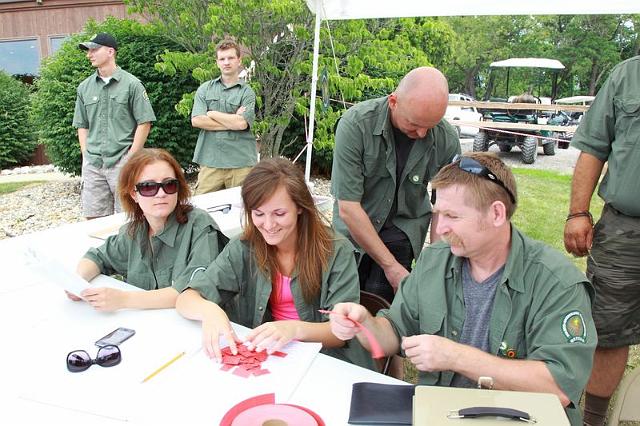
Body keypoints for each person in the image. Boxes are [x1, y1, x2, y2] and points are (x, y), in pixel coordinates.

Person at [329, 153, 596, 425]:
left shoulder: (556, 283)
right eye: (438, 214)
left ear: (496, 213)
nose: (441, 228)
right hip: (439, 415)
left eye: (452, 216)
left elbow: (559, 388)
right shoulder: (435, 262)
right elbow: (394, 332)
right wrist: (365, 324)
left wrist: (455, 356)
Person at [176, 158, 371, 368]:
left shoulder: (336, 250)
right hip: (273, 357)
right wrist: (209, 311)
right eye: (258, 214)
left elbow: (341, 333)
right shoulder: (244, 247)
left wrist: (294, 329)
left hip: (327, 361)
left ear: (300, 207)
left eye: (279, 214)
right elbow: (185, 299)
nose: (268, 225)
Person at [331, 66, 460, 303]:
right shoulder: (356, 125)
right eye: (414, 124)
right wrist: (390, 266)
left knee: (384, 307)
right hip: (354, 232)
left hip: (402, 233)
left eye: (430, 126)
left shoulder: (447, 140)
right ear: (393, 102)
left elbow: (444, 209)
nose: (422, 133)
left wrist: (435, 263)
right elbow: (348, 207)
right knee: (343, 305)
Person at [563, 55, 640, 426]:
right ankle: (592, 421)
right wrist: (578, 212)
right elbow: (594, 146)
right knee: (608, 330)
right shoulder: (628, 75)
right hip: (626, 229)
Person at [67, 148, 227, 311]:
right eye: (148, 187)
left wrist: (123, 299)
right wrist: (77, 283)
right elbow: (97, 257)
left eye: (169, 185)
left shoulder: (199, 226)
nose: (161, 194)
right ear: (133, 194)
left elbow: (193, 291)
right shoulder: (133, 231)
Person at [73, 33, 156, 220]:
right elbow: (82, 125)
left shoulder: (132, 85)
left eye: (94, 50)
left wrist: (131, 157)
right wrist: (86, 154)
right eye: (88, 51)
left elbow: (144, 123)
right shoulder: (84, 88)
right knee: (94, 219)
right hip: (93, 163)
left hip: (122, 160)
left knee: (129, 217)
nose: (89, 55)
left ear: (110, 52)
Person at [191, 39, 257, 195]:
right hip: (211, 160)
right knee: (201, 204)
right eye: (222, 59)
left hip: (241, 162)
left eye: (231, 58)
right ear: (217, 62)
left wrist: (212, 114)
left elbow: (242, 124)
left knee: (242, 205)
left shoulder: (247, 92)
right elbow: (197, 120)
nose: (226, 62)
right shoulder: (205, 89)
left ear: (239, 60)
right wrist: (232, 120)